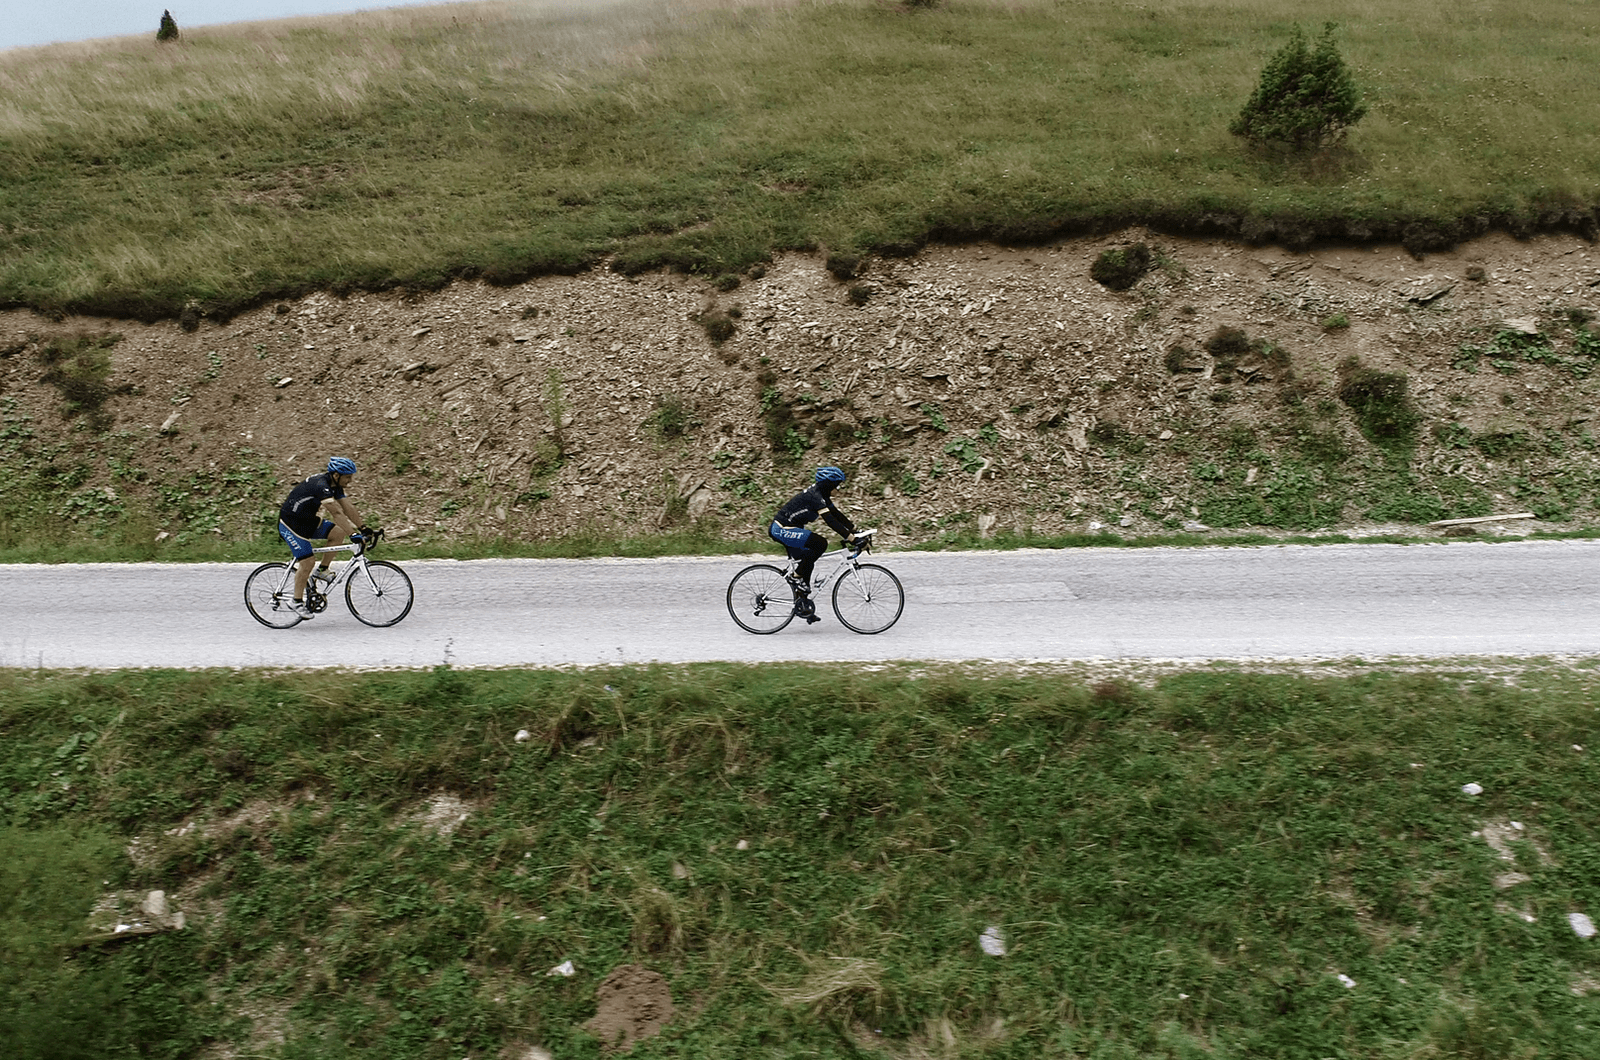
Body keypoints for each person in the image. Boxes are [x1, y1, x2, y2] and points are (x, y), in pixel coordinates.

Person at [276, 457, 366, 619]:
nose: (350, 481)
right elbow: (337, 513)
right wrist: (353, 535)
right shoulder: (321, 485)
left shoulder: (334, 484)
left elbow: (348, 507)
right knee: (307, 561)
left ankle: (323, 570)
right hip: (292, 525)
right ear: (337, 475)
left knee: (338, 533)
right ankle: (296, 601)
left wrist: (363, 528)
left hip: (308, 522)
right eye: (348, 477)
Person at [769, 465, 858, 623]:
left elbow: (836, 514)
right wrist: (850, 538)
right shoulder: (815, 496)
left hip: (790, 528)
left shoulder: (822, 495)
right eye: (837, 485)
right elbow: (830, 521)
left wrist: (854, 529)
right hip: (781, 529)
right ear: (828, 485)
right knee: (820, 543)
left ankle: (803, 607)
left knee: (808, 561)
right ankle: (796, 578)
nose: (838, 489)